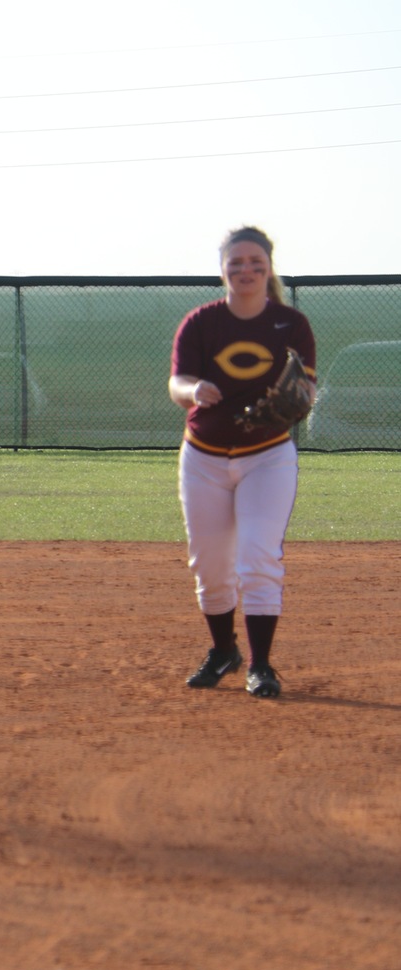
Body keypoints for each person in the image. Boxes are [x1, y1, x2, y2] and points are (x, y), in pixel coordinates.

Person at [167, 225, 317, 699]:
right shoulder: (201, 322)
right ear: (223, 271)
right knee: (209, 565)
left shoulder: (291, 324)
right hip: (204, 458)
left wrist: (301, 400)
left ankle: (262, 665)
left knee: (258, 557)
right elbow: (177, 384)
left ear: (268, 267)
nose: (246, 270)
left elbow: (307, 388)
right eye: (236, 263)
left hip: (266, 457)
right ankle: (223, 651)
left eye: (255, 262)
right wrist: (194, 389)